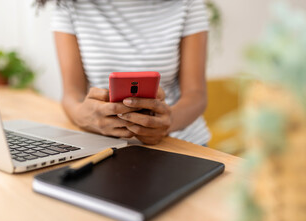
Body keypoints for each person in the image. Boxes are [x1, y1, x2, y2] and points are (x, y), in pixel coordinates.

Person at [37, 0, 211, 145]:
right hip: (105, 144)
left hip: (180, 142)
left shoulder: (188, 3)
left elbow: (196, 95)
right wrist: (82, 116)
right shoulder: (69, 4)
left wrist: (168, 121)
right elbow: (72, 93)